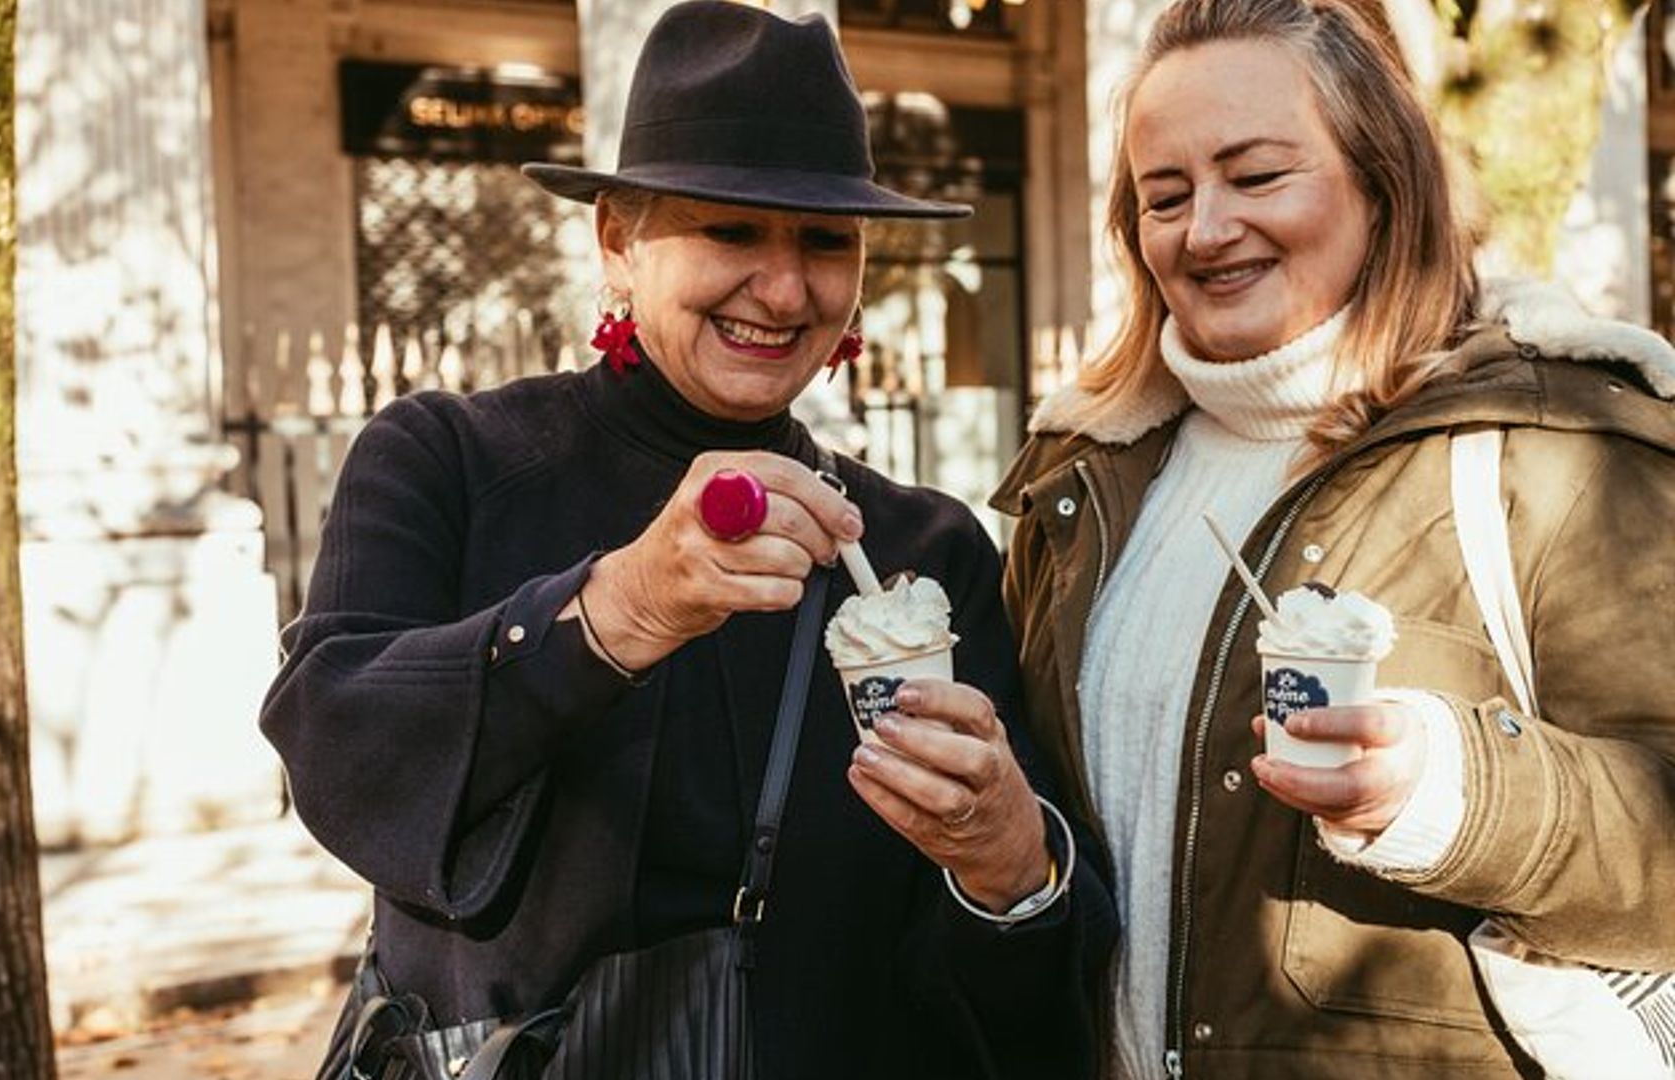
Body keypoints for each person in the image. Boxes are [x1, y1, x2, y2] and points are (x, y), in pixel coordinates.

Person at [263, 4, 1115, 1078]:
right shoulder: (449, 461)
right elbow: (335, 755)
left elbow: (1025, 979)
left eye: (824, 240)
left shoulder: (917, 549)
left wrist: (1007, 866)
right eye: (730, 230)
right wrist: (619, 611)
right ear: (618, 240)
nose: (785, 287)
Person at [991, 0, 1675, 1076]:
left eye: (1258, 177)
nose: (1205, 229)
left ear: (1383, 179)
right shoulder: (1078, 475)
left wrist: (1450, 790)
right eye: (1165, 195)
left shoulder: (1561, 438)